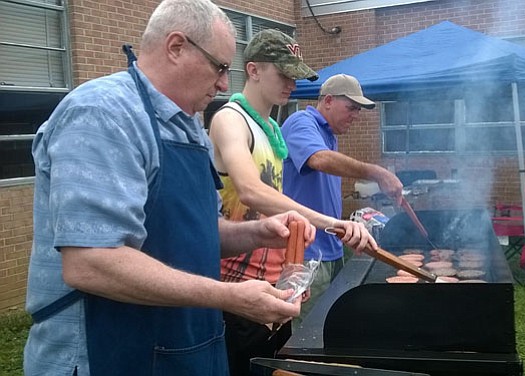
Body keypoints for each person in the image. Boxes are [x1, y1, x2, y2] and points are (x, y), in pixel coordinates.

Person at [22, 1, 315, 375]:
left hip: (186, 347)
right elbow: (91, 262)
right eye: (220, 67)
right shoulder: (103, 113)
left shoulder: (188, 126)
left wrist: (257, 233)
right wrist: (228, 296)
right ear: (176, 47)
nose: (225, 83)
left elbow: (194, 231)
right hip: (107, 354)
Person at [208, 30, 376, 375]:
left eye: (295, 75)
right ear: (253, 70)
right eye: (283, 73)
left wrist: (292, 275)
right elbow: (251, 191)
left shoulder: (272, 127)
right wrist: (332, 222)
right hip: (236, 290)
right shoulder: (230, 119)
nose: (292, 84)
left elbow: (281, 206)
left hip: (274, 288)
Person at [281, 74, 404, 324]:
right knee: (307, 334)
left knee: (331, 326)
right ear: (327, 101)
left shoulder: (330, 135)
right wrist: (377, 172)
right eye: (351, 108)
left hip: (332, 249)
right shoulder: (301, 122)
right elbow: (319, 159)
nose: (355, 116)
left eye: (358, 110)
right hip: (307, 254)